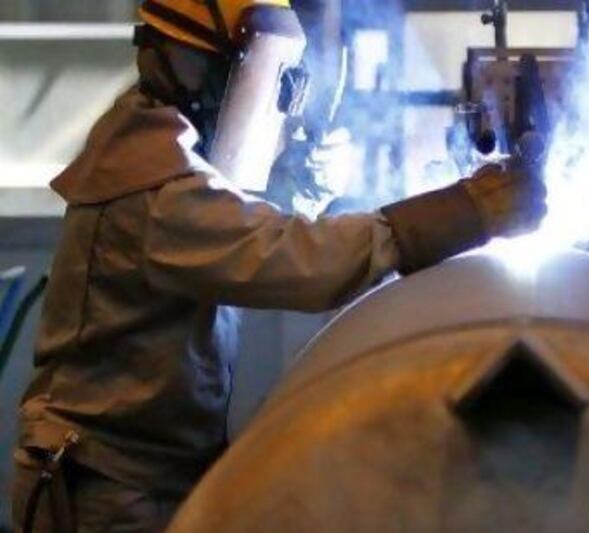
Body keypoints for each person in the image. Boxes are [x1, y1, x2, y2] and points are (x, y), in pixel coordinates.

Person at [11, 0, 547, 531]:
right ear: (212, 69)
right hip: (105, 492)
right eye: (276, 81)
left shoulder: (158, 145)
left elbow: (238, 229)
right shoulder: (155, 191)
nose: (279, 102)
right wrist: (467, 211)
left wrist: (303, 189)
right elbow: (296, 260)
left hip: (147, 476)